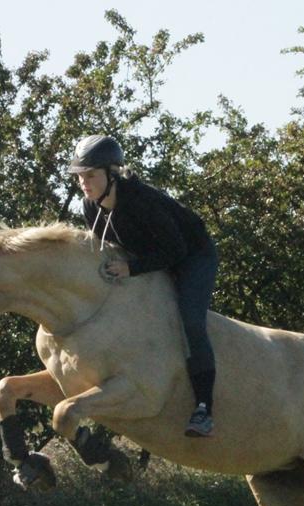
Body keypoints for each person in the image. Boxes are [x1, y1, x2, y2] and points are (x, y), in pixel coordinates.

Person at [67, 134, 219, 437]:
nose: (84, 182)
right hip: (150, 258)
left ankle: (203, 409)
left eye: (91, 175)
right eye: (80, 176)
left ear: (112, 174)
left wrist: (131, 268)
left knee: (190, 319)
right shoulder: (90, 206)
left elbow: (175, 251)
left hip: (192, 256)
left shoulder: (142, 202)